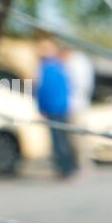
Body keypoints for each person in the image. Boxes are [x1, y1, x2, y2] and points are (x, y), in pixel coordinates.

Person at [35, 38, 77, 178]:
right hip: (62, 107)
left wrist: (42, 107)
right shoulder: (59, 66)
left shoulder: (48, 67)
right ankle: (68, 167)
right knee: (63, 138)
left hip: (54, 108)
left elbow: (44, 90)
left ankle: (65, 169)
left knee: (59, 140)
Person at [61, 45, 95, 169]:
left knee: (78, 139)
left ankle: (83, 166)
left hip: (76, 106)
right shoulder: (75, 62)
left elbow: (81, 85)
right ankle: (78, 165)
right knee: (73, 139)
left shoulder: (77, 63)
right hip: (72, 105)